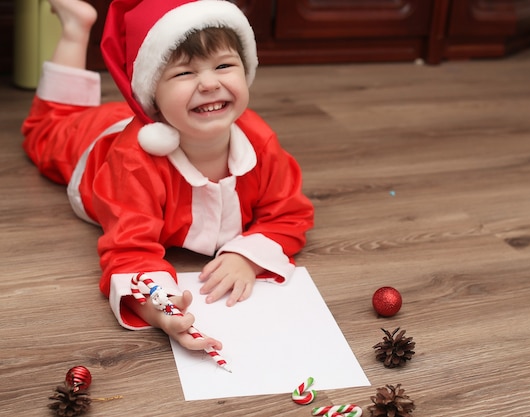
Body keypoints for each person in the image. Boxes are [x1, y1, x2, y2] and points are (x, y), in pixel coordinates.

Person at [21, 0, 314, 352]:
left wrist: (247, 256)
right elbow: (129, 251)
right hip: (91, 142)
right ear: (153, 98)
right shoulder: (133, 163)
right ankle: (74, 28)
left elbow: (289, 213)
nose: (209, 83)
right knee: (48, 127)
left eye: (224, 65)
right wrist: (163, 312)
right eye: (184, 73)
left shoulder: (261, 141)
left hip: (158, 117)